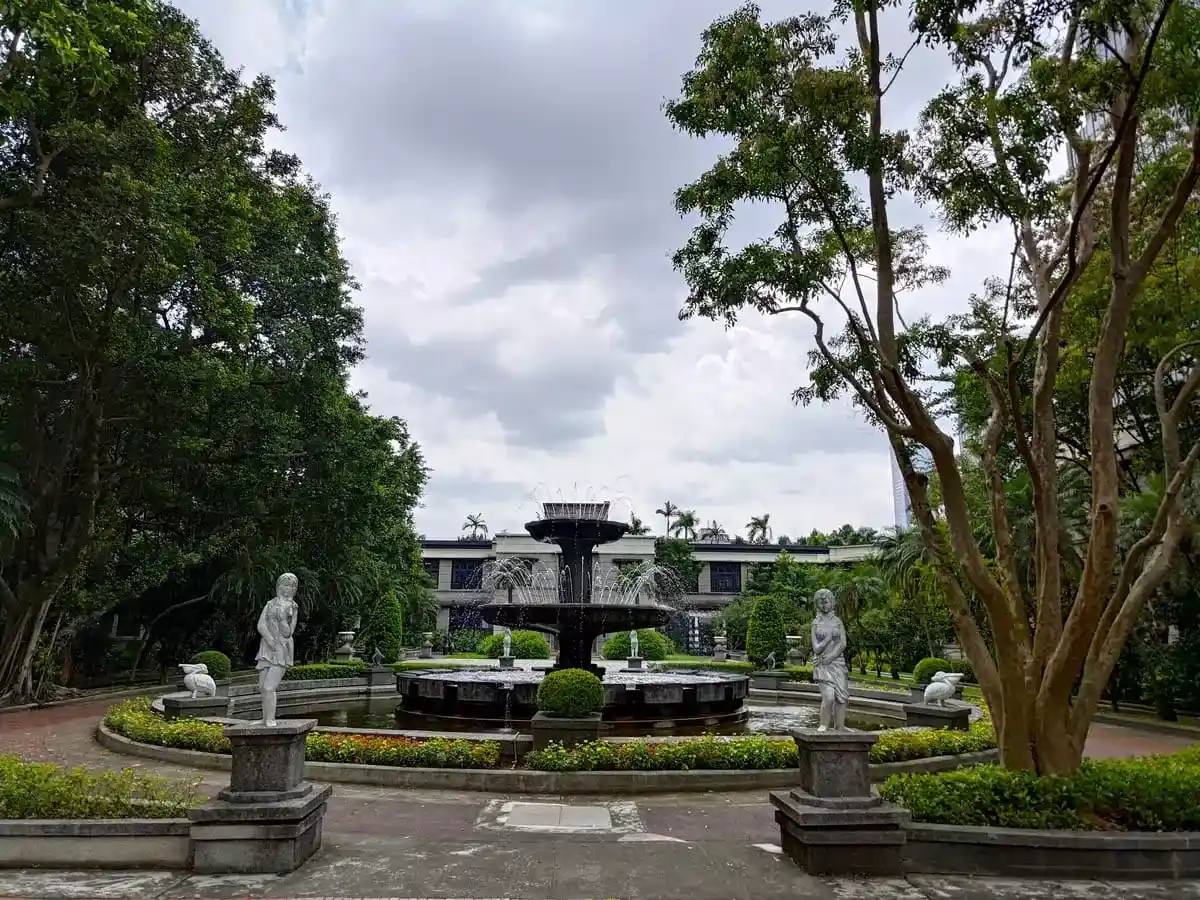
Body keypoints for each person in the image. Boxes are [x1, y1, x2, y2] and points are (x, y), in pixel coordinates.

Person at [256, 572, 299, 726]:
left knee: (269, 687)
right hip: (267, 647)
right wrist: (270, 640)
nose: (289, 588)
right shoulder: (270, 604)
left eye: (293, 586)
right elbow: (261, 624)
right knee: (262, 687)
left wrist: (281, 617)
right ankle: (264, 718)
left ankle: (270, 719)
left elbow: (288, 632)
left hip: (282, 648)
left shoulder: (293, 607)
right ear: (279, 586)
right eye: (286, 585)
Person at [810, 588, 848, 731]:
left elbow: (843, 643)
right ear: (816, 604)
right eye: (820, 602)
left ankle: (840, 726)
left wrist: (831, 657)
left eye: (826, 602)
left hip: (837, 662)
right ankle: (823, 724)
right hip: (822, 664)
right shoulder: (815, 623)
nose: (824, 605)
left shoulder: (838, 622)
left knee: (841, 697)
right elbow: (816, 648)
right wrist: (827, 638)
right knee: (829, 696)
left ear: (832, 603)